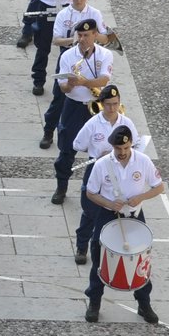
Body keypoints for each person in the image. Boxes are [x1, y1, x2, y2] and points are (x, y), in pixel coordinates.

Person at [82, 127, 164, 324]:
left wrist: (141, 197)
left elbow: (159, 186)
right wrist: (109, 203)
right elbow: (90, 193)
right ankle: (94, 301)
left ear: (131, 145)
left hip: (135, 215)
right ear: (112, 146)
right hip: (108, 214)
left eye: (126, 147)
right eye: (119, 148)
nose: (122, 152)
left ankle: (144, 303)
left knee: (140, 259)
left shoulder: (142, 161)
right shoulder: (102, 164)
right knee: (99, 257)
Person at [69, 86, 142, 262]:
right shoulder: (93, 123)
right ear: (101, 104)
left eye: (115, 104)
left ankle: (114, 248)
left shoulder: (126, 123)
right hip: (98, 169)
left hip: (121, 171)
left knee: (118, 209)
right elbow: (77, 145)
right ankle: (82, 246)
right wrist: (97, 153)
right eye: (108, 104)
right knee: (90, 210)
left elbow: (137, 144)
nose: (112, 108)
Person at [51, 20, 115, 204]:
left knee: (102, 148)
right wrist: (70, 84)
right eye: (80, 35)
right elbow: (62, 87)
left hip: (97, 106)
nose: (82, 39)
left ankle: (95, 189)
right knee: (66, 148)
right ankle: (61, 186)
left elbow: (104, 79)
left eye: (87, 35)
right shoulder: (68, 56)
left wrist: (84, 82)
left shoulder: (105, 54)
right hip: (74, 106)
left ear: (95, 35)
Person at [40, 0, 109, 146]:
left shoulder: (95, 13)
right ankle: (49, 130)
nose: (79, 0)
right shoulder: (64, 14)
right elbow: (56, 40)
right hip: (70, 57)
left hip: (91, 58)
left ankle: (90, 135)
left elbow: (106, 38)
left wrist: (92, 35)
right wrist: (74, 39)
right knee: (60, 95)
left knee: (91, 95)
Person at [23, 0, 80, 96]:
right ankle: (38, 80)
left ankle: (65, 81)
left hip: (66, 8)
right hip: (47, 8)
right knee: (43, 47)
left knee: (68, 48)